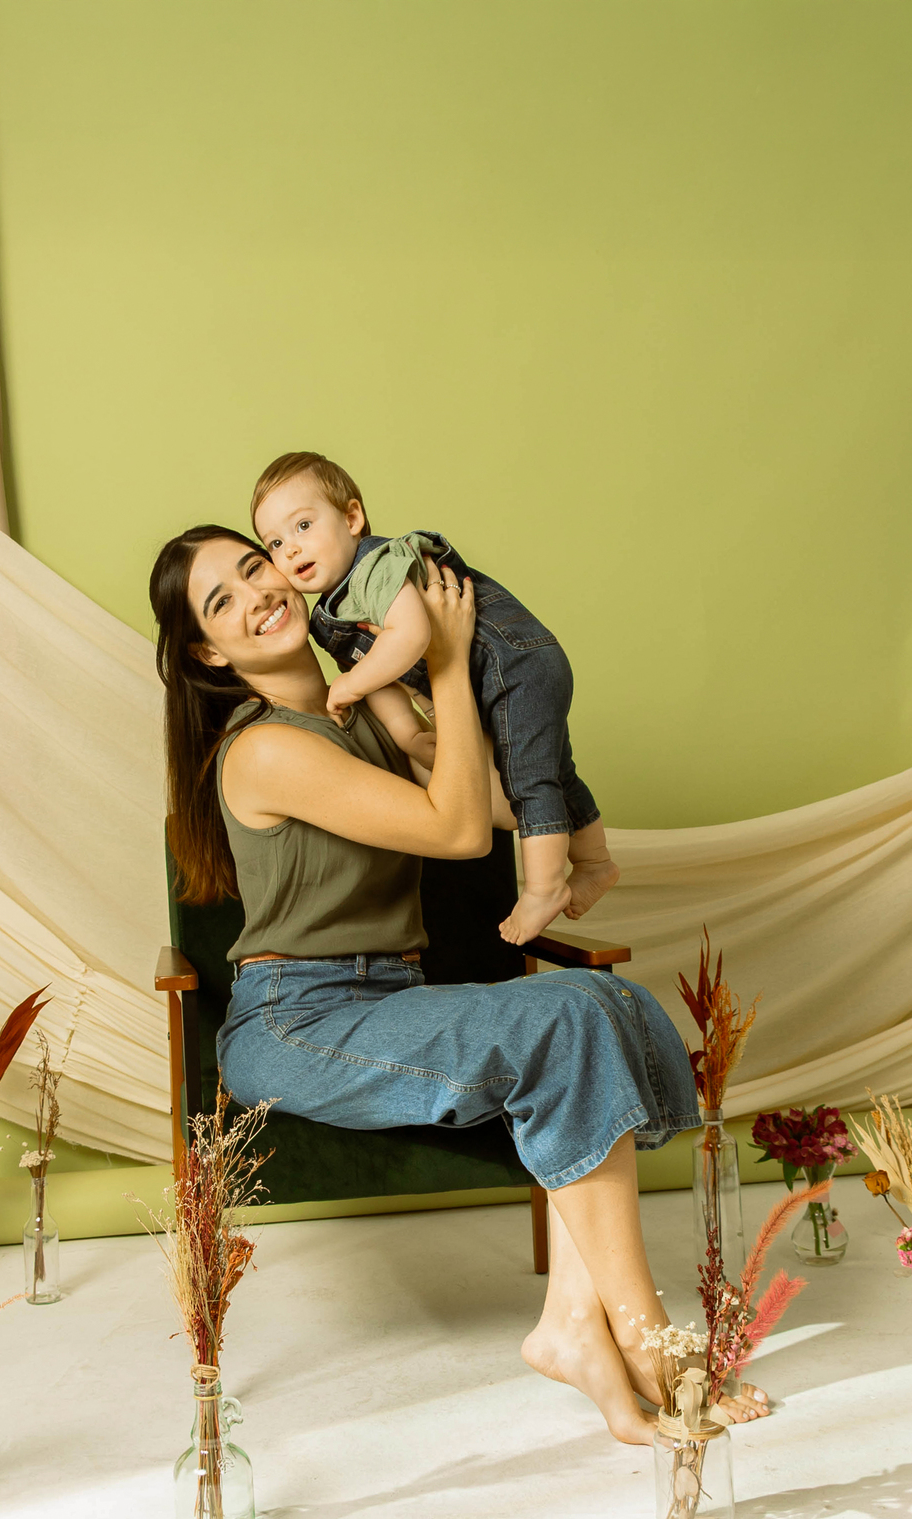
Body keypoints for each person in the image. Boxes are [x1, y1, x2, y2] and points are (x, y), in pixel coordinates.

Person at [149, 522, 769, 1444]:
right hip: (295, 1020)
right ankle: (650, 1344)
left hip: (389, 996)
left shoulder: (365, 710)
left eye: (254, 567)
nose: (258, 596)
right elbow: (459, 832)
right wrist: (442, 657)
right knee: (567, 1025)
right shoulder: (265, 748)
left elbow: (500, 800)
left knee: (605, 1002)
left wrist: (456, 686)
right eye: (222, 601)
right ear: (209, 650)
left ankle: (572, 1327)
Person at [250, 451, 620, 946]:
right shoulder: (329, 616)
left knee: (529, 779)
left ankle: (544, 887)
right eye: (275, 543)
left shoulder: (376, 566)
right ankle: (595, 861)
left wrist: (349, 688)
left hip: (515, 666)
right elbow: (374, 675)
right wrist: (407, 733)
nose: (292, 548)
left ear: (352, 518)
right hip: (485, 682)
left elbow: (411, 635)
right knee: (555, 771)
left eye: (303, 525)